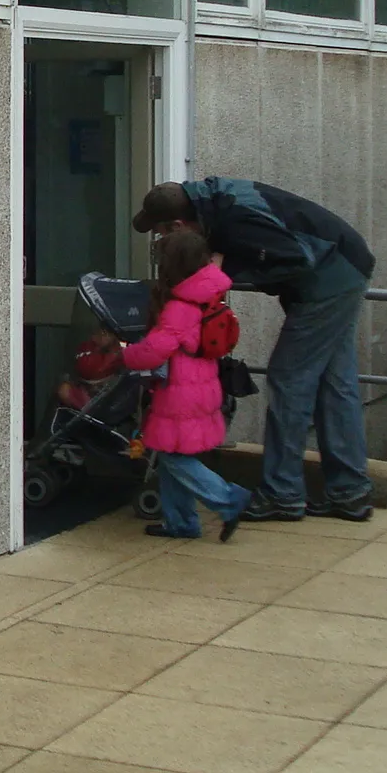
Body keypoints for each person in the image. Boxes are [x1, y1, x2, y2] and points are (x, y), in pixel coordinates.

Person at [132, 177, 375, 522]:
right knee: (337, 385)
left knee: (290, 379)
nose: (164, 241)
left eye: (163, 233)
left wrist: (224, 271)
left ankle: (283, 493)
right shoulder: (217, 202)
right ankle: (350, 492)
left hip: (328, 280)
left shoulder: (235, 222)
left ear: (178, 224)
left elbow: (294, 259)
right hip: (344, 265)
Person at [119, 227, 250, 540]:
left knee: (172, 457)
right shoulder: (208, 295)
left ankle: (229, 499)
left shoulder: (180, 306)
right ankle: (181, 522)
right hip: (201, 387)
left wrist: (124, 354)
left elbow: (154, 350)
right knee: (171, 455)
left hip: (179, 392)